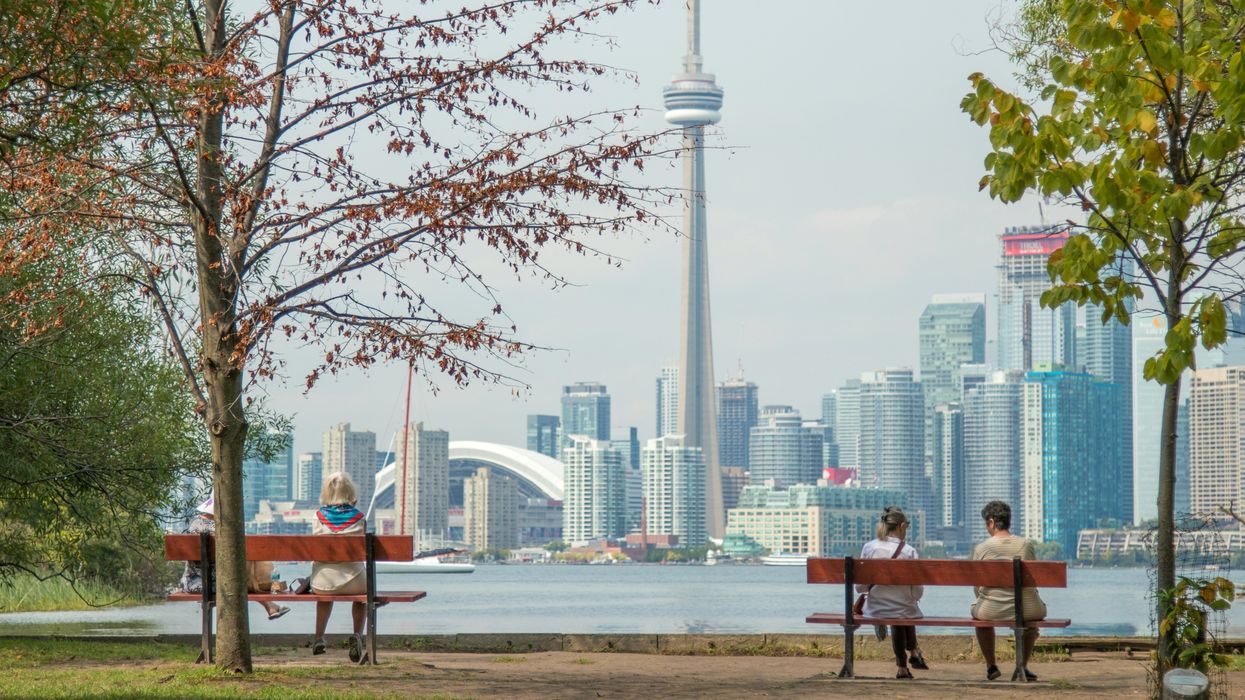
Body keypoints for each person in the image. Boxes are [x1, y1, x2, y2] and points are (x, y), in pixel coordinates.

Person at [970, 500, 1047, 681]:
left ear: (991, 522)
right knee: (1030, 618)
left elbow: (976, 586)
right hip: (1028, 608)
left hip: (991, 609)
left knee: (980, 616)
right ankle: (1022, 666)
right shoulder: (1026, 545)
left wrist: (984, 598)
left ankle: (991, 666)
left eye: (986, 524)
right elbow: (1033, 582)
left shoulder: (982, 548)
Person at [179, 497, 290, 621]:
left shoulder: (194, 524)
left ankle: (270, 606)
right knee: (241, 583)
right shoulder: (224, 530)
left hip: (191, 583)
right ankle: (270, 606)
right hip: (217, 585)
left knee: (240, 582)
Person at [857, 505, 929, 679]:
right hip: (904, 610)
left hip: (875, 608)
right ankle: (911, 653)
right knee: (903, 611)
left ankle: (904, 664)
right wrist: (911, 598)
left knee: (900, 612)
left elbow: (860, 587)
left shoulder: (869, 548)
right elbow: (917, 592)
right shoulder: (909, 551)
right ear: (902, 526)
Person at [311, 472, 368, 662]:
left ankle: (319, 637)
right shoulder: (359, 518)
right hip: (355, 581)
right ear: (350, 492)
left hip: (322, 582)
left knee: (325, 594)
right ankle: (357, 636)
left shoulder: (317, 517)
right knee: (362, 599)